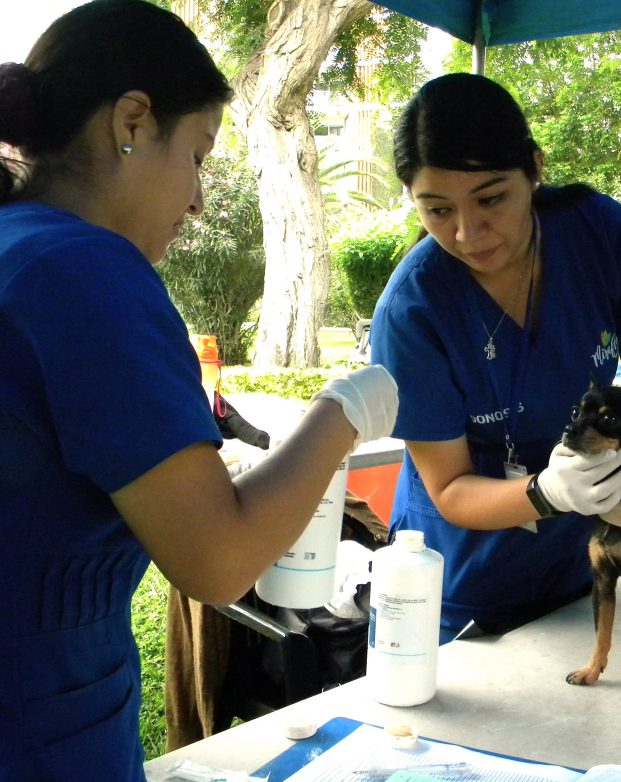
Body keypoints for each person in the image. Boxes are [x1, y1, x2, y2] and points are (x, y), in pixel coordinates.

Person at [0, 2, 398, 779]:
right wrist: (342, 412)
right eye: (200, 155)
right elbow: (219, 561)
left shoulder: (17, 249)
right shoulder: (85, 272)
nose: (198, 201)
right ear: (135, 121)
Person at [370, 73, 621, 644]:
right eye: (437, 210)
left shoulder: (597, 232)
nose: (468, 233)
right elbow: (450, 489)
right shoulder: (414, 311)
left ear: (534, 168)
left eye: (491, 198)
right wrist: (546, 493)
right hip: (459, 590)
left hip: (584, 571)